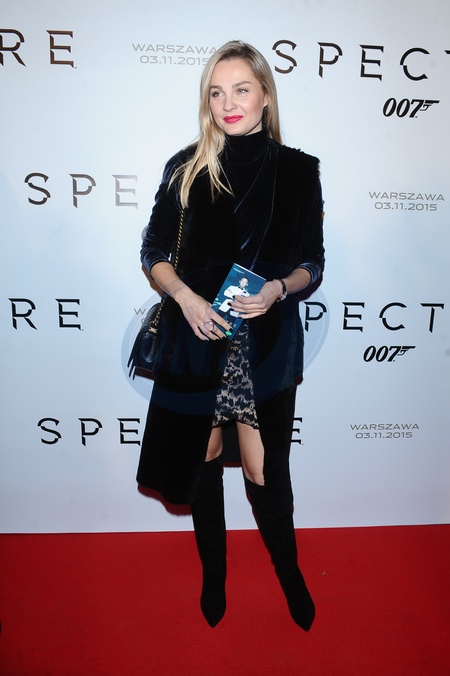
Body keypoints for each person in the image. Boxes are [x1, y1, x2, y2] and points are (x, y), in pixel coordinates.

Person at [136, 40, 325, 631]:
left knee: (267, 476)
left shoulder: (300, 171)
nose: (228, 103)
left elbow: (312, 263)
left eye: (241, 88)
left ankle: (290, 573)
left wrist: (278, 289)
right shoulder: (186, 166)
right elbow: (153, 252)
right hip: (198, 341)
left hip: (263, 349)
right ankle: (213, 574)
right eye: (216, 92)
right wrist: (186, 298)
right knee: (203, 463)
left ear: (265, 94)